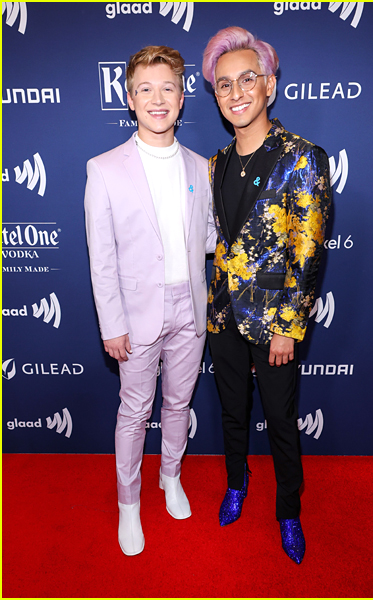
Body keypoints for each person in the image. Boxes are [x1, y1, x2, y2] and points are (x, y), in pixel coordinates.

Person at [202, 27, 331, 564]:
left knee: (280, 418)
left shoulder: (302, 157)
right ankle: (237, 481)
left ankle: (288, 510)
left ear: (270, 85)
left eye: (247, 79)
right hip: (223, 313)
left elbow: (311, 249)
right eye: (224, 84)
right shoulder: (217, 161)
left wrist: (289, 325)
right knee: (233, 410)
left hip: (275, 321)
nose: (236, 92)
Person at [84, 45, 216, 556]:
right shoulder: (104, 168)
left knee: (179, 402)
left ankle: (170, 477)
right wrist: (111, 323)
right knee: (135, 411)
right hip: (135, 315)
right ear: (130, 97)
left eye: (168, 88)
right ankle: (129, 503)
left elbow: (207, 238)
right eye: (146, 89)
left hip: (191, 308)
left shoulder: (202, 167)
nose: (157, 99)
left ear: (182, 98)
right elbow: (102, 257)